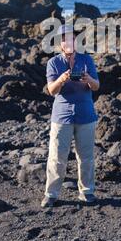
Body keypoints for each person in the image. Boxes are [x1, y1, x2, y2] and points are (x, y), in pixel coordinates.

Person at [41, 24, 100, 209]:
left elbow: (96, 86)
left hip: (86, 114)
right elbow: (51, 90)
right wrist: (62, 79)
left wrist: (87, 79)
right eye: (65, 39)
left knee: (86, 157)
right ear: (60, 43)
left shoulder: (86, 60)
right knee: (57, 157)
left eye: (72, 38)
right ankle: (51, 194)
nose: (69, 41)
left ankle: (87, 192)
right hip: (62, 116)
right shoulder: (53, 63)